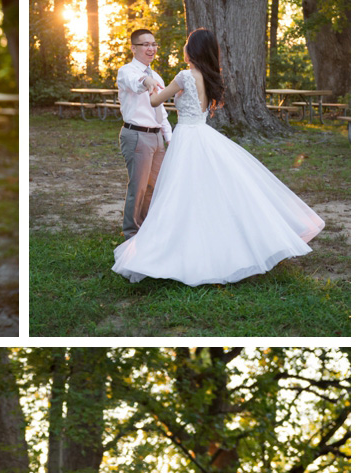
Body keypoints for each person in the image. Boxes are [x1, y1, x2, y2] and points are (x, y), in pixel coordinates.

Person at [113, 28, 325, 284]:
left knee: (178, 191)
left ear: (192, 50)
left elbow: (157, 102)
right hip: (202, 135)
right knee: (208, 190)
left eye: (187, 43)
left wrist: (152, 88)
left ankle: (174, 243)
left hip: (187, 138)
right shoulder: (208, 77)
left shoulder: (183, 76)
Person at [117, 28, 173, 240]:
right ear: (133, 48)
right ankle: (131, 233)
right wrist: (146, 82)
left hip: (157, 136)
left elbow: (162, 112)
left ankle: (147, 227)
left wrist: (170, 138)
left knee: (155, 186)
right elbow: (136, 83)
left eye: (154, 44)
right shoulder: (127, 71)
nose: (151, 48)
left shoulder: (156, 75)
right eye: (145, 45)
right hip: (137, 136)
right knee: (138, 187)